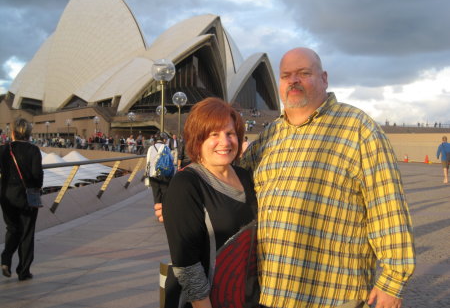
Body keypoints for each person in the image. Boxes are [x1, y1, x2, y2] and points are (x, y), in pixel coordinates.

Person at [240, 47, 415, 308]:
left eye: (304, 73)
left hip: (331, 295)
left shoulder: (358, 129)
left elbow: (387, 207)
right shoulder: (271, 135)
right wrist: (185, 199)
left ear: (324, 78)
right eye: (287, 75)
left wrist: (392, 281)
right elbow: (233, 184)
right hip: (270, 291)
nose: (294, 81)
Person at [162, 97, 258, 307]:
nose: (225, 142)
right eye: (214, 134)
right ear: (198, 140)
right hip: (205, 301)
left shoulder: (246, 177)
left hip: (244, 296)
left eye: (230, 133)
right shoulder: (187, 184)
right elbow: (187, 264)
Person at [0, 118, 43, 281]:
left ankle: (5, 259)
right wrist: (37, 187)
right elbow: (37, 175)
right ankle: (23, 271)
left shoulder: (4, 150)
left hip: (6, 195)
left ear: (12, 132)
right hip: (27, 197)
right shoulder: (33, 150)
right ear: (29, 133)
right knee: (26, 233)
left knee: (12, 228)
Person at [145, 133, 172, 204]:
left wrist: (147, 174)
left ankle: (158, 211)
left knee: (156, 194)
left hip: (153, 174)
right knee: (165, 193)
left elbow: (148, 162)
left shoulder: (150, 148)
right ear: (163, 140)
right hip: (163, 174)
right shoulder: (166, 148)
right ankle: (164, 211)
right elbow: (171, 160)